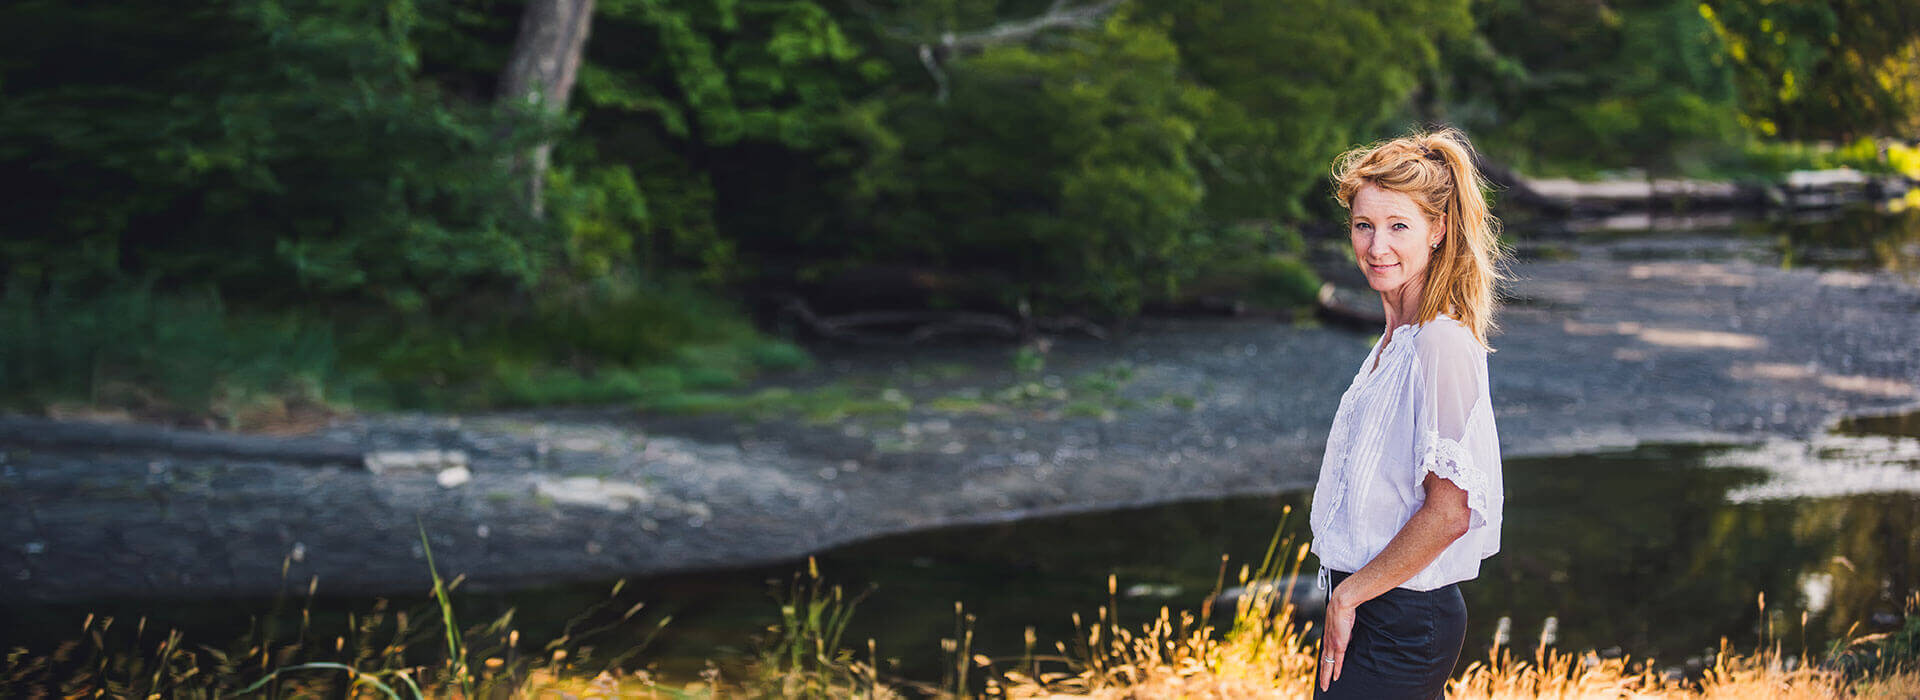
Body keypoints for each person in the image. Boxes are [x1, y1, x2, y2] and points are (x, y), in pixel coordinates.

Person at [1310, 127, 1511, 699]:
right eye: (1363, 226)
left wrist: (1350, 596)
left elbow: (1449, 511)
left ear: (1438, 229)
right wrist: (1345, 594)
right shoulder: (1396, 340)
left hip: (1402, 617)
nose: (1377, 247)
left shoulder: (1440, 342)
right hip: (1374, 602)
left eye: (1399, 226)